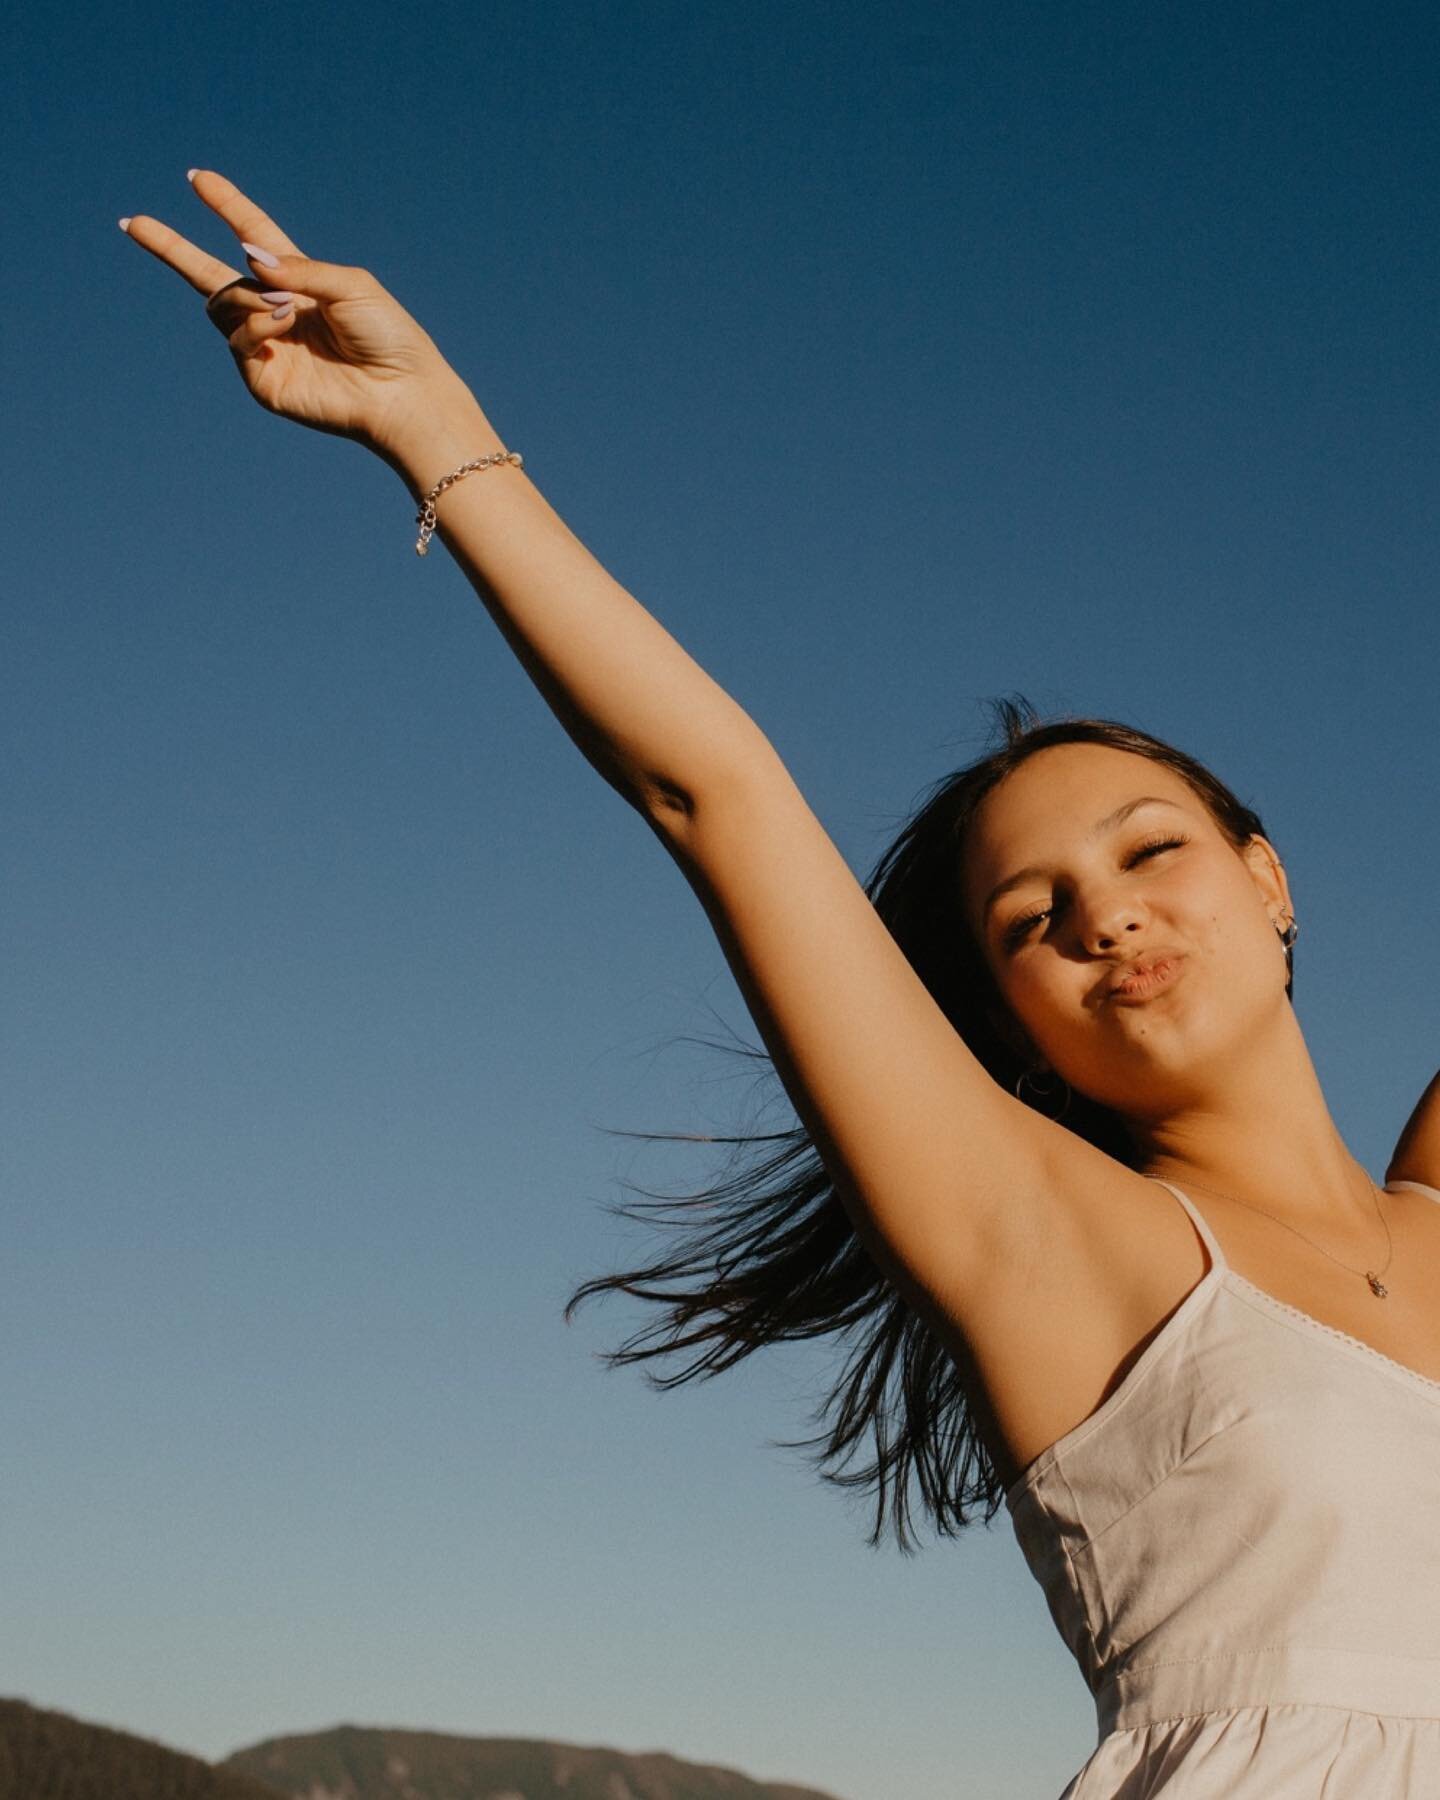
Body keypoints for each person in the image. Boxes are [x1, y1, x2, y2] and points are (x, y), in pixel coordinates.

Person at [121, 171, 1440, 1797]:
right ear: (1002, 1018)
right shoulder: (1061, 1243)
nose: (1106, 916)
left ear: (1269, 873)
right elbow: (716, 794)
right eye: (1034, 917)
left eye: (1152, 850)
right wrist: (438, 433)